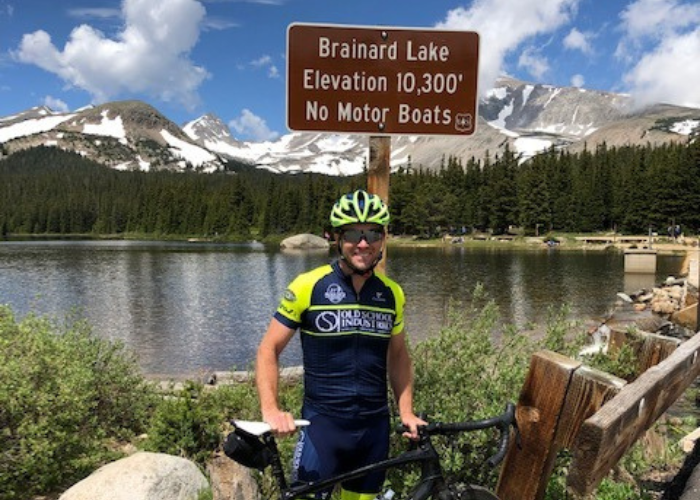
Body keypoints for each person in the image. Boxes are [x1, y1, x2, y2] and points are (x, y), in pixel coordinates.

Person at [256, 189, 425, 500]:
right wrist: (271, 410)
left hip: (374, 428)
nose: (363, 243)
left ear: (383, 238)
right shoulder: (309, 286)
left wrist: (406, 411)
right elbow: (269, 349)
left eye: (373, 232)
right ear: (335, 238)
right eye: (352, 233)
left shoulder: (392, 294)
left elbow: (398, 355)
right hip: (323, 427)